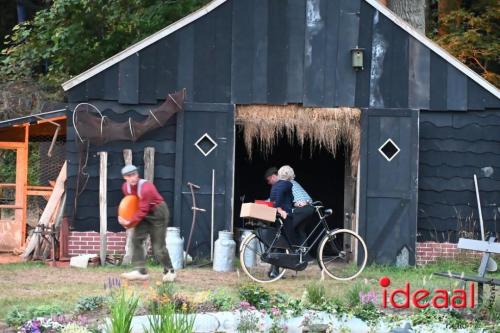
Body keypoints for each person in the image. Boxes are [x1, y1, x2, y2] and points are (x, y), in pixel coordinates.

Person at [118, 164, 176, 282]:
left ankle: (169, 270)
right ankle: (140, 271)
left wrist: (129, 223)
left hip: (158, 213)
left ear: (137, 174)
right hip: (143, 214)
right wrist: (125, 218)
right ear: (125, 178)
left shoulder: (146, 187)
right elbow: (131, 205)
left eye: (134, 174)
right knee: (136, 239)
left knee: (158, 247)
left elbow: (143, 210)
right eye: (129, 176)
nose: (133, 177)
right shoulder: (126, 188)